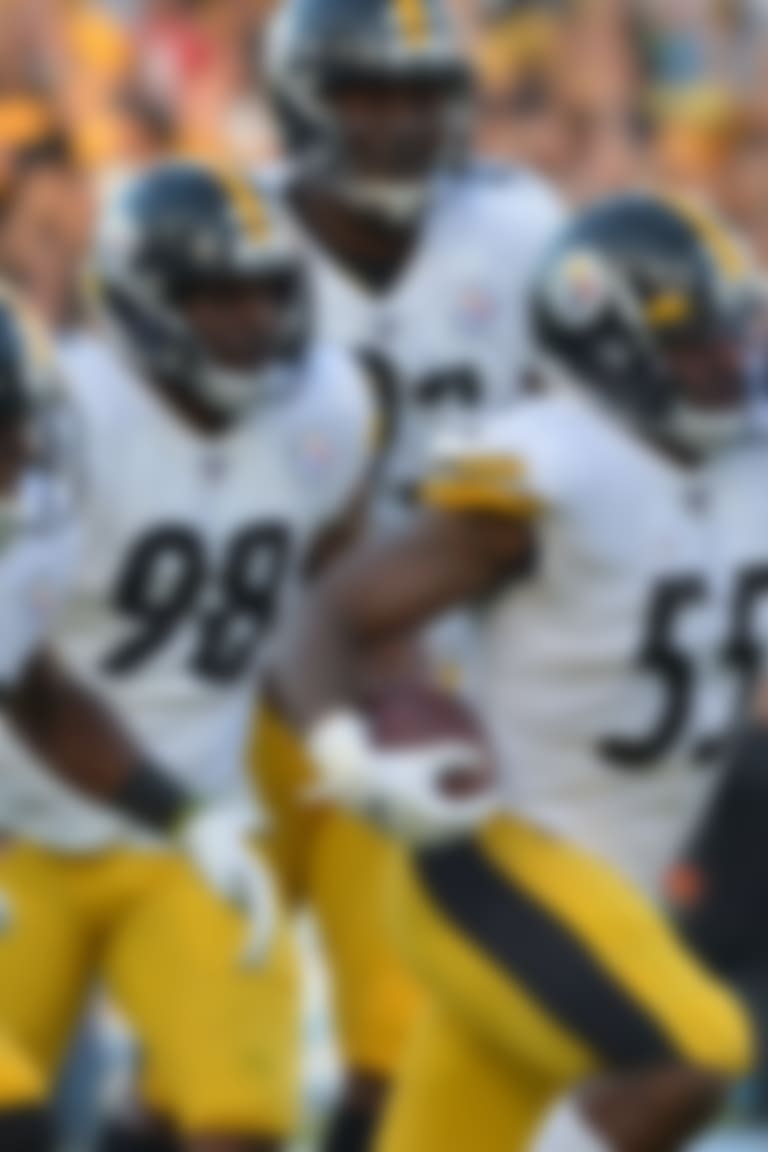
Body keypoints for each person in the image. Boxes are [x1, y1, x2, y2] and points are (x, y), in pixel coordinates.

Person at [280, 194, 765, 1152]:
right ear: (610, 347)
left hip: (613, 888)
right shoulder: (552, 471)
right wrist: (346, 749)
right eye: (695, 343)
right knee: (693, 1055)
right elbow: (329, 613)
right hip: (493, 868)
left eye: (734, 333)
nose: (728, 361)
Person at [0, 161, 377, 1152]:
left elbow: (331, 583)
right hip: (18, 834)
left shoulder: (329, 408)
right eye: (217, 296)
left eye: (265, 291)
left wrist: (339, 729)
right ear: (140, 299)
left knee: (242, 1125)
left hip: (182, 826)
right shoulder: (62, 422)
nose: (250, 321)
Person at [251, 4, 565, 1149]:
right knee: (205, 1063)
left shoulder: (518, 227)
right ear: (303, 100)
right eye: (368, 95)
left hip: (433, 680)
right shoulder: (236, 243)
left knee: (400, 1051)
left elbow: (579, 428)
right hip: (240, 679)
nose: (397, 123)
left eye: (419, 93)